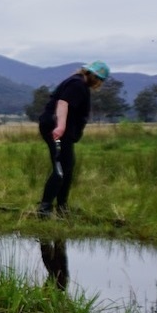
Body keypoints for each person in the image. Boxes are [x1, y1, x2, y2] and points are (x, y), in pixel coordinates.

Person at [37, 60, 109, 218]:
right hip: (57, 129)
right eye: (99, 80)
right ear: (92, 75)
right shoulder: (77, 84)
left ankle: (62, 207)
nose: (98, 84)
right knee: (61, 169)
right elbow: (63, 104)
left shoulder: (79, 84)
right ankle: (44, 209)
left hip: (63, 131)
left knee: (68, 168)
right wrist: (61, 127)